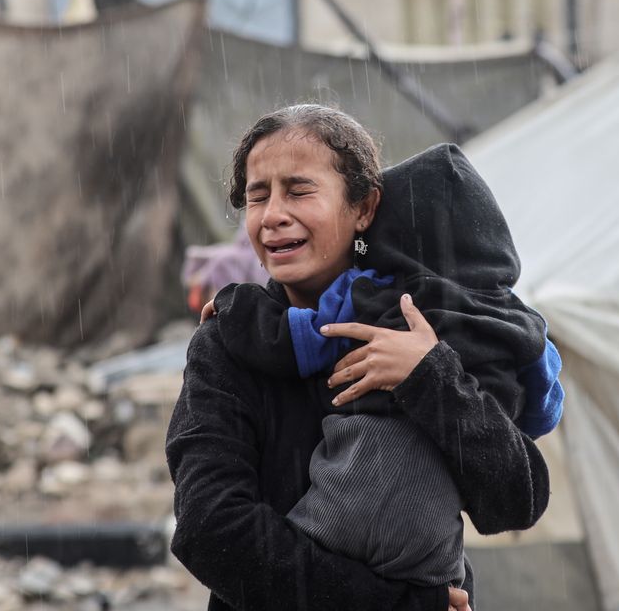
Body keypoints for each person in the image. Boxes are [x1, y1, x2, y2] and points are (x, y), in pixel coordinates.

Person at [167, 105, 550, 611]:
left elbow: (515, 501)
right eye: (258, 196)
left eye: (299, 190)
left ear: (364, 208)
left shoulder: (425, 325)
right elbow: (210, 528)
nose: (273, 214)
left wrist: (429, 377)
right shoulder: (228, 343)